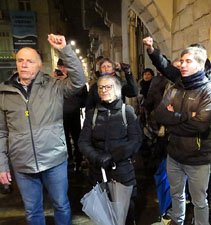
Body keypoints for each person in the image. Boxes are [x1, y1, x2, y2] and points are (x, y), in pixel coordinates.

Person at [0, 34, 86, 225]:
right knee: (32, 211)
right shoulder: (4, 93)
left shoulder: (53, 86)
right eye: (20, 60)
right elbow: (1, 132)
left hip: (53, 159)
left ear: (39, 66)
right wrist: (2, 164)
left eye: (29, 61)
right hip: (22, 163)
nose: (24, 64)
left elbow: (79, 80)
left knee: (61, 205)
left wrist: (65, 49)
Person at [152, 45, 211, 225]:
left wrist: (172, 119)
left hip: (198, 158)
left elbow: (200, 125)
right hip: (174, 154)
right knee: (176, 194)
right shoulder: (175, 88)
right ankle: (177, 220)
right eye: (181, 61)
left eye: (188, 61)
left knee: (199, 201)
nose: (182, 65)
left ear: (200, 64)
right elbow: (159, 114)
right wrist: (185, 117)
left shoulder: (209, 91)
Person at [78, 75, 142, 225]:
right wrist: (97, 158)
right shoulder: (92, 114)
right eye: (101, 87)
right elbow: (83, 141)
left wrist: (113, 157)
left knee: (126, 211)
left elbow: (135, 140)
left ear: (117, 90)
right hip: (98, 172)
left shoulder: (127, 112)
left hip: (123, 170)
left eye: (108, 87)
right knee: (104, 213)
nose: (104, 90)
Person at [53, 58, 88, 172]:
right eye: (60, 67)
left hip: (73, 114)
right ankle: (68, 160)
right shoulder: (54, 81)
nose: (62, 69)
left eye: (64, 67)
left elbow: (83, 98)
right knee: (64, 139)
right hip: (59, 115)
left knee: (77, 137)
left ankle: (79, 159)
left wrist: (66, 82)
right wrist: (54, 82)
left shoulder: (75, 81)